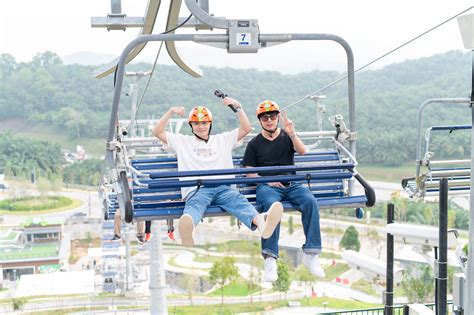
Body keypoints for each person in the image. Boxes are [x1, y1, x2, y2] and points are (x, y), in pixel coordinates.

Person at [152, 97, 283, 247]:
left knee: (238, 201)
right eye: (196, 123)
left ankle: (260, 222)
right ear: (191, 126)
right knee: (194, 206)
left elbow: (246, 128)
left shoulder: (223, 139)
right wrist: (171, 112)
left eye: (204, 123)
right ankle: (189, 229)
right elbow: (157, 131)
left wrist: (237, 107)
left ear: (210, 124)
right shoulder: (183, 141)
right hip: (198, 188)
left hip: (223, 188)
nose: (201, 127)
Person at [242, 100, 325, 282]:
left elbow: (302, 152)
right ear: (260, 121)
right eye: (265, 117)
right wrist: (268, 180)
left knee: (310, 201)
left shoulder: (287, 137)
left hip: (291, 183)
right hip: (267, 186)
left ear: (278, 118)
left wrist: (293, 133)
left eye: (272, 116)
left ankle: (311, 253)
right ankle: (270, 257)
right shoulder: (255, 143)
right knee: (273, 208)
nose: (269, 120)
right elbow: (249, 172)